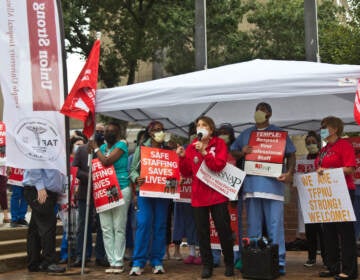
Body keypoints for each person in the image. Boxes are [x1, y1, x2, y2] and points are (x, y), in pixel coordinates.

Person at [230, 102, 296, 276]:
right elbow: (233, 152)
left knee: (276, 227)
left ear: (269, 114)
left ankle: (278, 262)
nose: (259, 112)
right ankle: (255, 260)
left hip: (274, 187)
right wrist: (242, 152)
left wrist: (289, 173)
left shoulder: (278, 134)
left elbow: (291, 154)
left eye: (263, 110)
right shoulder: (246, 134)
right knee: (254, 228)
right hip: (252, 188)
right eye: (257, 109)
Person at [177, 116, 234, 279]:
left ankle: (229, 263)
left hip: (217, 195)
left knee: (223, 230)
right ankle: (207, 265)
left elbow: (218, 165)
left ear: (211, 129)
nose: (200, 127)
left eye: (204, 125)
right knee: (202, 233)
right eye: (198, 125)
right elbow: (187, 171)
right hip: (199, 196)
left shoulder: (220, 144)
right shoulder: (191, 146)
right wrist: (182, 157)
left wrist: (204, 152)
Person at [316, 116, 358, 280]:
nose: (322, 130)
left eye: (324, 127)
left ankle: (349, 270)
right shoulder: (324, 149)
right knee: (329, 232)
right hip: (328, 193)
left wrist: (329, 171)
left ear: (334, 129)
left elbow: (350, 168)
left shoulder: (344, 145)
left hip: (343, 192)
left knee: (345, 233)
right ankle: (333, 267)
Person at [129, 121, 171, 276]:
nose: (160, 132)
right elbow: (133, 170)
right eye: (156, 130)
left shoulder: (168, 150)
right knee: (144, 224)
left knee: (160, 226)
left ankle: (157, 261)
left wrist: (175, 179)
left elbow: (172, 170)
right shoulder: (142, 149)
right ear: (150, 132)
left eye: (161, 130)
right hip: (145, 192)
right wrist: (136, 178)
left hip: (162, 193)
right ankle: (138, 262)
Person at [90, 122, 132, 274]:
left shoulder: (122, 144)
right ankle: (111, 261)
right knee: (106, 227)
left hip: (120, 187)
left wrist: (95, 147)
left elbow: (107, 161)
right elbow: (97, 164)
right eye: (106, 131)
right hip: (104, 189)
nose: (108, 133)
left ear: (119, 132)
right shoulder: (102, 148)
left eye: (112, 131)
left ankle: (118, 261)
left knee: (118, 227)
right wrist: (94, 148)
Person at [72, 127, 107, 268]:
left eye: (102, 131)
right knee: (83, 225)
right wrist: (89, 177)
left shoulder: (106, 150)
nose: (99, 133)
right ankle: (82, 256)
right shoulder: (81, 150)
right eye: (97, 130)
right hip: (84, 192)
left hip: (102, 193)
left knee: (102, 225)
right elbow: (76, 170)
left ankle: (100, 255)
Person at [22, 169, 66, 273]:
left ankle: (34, 261)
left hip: (46, 190)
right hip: (40, 189)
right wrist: (40, 187)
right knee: (48, 226)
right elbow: (34, 164)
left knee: (36, 228)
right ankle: (49, 262)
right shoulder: (42, 151)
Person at [212, 123, 241, 268]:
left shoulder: (236, 152)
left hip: (233, 197)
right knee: (215, 227)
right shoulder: (214, 150)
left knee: (233, 226)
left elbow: (241, 173)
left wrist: (236, 193)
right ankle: (215, 256)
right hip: (216, 196)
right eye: (221, 132)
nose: (223, 135)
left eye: (226, 133)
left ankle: (235, 256)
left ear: (231, 135)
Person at [300, 131, 326, 268]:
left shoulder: (324, 157)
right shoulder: (304, 159)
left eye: (313, 142)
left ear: (319, 142)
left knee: (324, 231)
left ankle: (327, 257)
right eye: (308, 143)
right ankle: (311, 257)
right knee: (310, 231)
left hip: (322, 198)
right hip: (309, 200)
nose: (311, 145)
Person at [58, 136, 85, 264]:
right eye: (77, 144)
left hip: (79, 198)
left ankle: (75, 254)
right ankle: (65, 254)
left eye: (82, 145)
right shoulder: (64, 161)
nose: (79, 147)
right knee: (67, 229)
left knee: (77, 228)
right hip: (65, 199)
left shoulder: (83, 161)